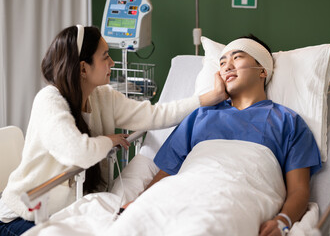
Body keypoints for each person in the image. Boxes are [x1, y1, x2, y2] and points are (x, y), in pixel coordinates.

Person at [0, 25, 227, 236]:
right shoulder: (49, 100)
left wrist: (208, 98)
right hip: (23, 216)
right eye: (105, 56)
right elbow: (79, 152)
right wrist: (108, 140)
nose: (113, 62)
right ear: (83, 68)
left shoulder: (102, 97)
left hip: (67, 213)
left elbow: (155, 114)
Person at [142, 34, 322, 236]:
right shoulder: (200, 115)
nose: (227, 66)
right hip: (186, 191)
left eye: (237, 57)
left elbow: (298, 189)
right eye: (222, 62)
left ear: (262, 70)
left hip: (239, 197)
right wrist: (140, 203)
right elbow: (165, 174)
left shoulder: (288, 121)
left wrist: (283, 221)